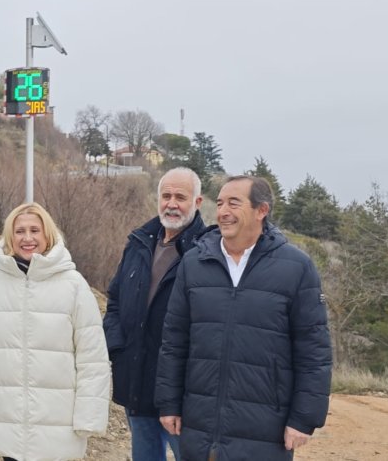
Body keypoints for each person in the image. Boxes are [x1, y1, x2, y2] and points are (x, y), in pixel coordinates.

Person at [155, 175, 332, 460]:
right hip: (200, 427)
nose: (222, 211)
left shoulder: (296, 267)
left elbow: (314, 351)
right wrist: (169, 403)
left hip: (265, 429)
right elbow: (175, 340)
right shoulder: (194, 263)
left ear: (261, 210)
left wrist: (303, 418)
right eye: (221, 203)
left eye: (234, 203)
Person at [0, 202, 110, 461]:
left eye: (35, 230)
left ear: (47, 234)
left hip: (57, 424)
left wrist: (89, 417)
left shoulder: (74, 285)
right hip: (7, 421)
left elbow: (92, 358)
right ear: (9, 237)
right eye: (19, 231)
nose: (27, 238)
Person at [103, 167, 206, 461]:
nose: (172, 204)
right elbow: (115, 301)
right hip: (136, 381)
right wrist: (117, 346)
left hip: (182, 391)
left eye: (180, 197)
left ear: (197, 203)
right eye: (166, 196)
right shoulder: (139, 243)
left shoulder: (206, 250)